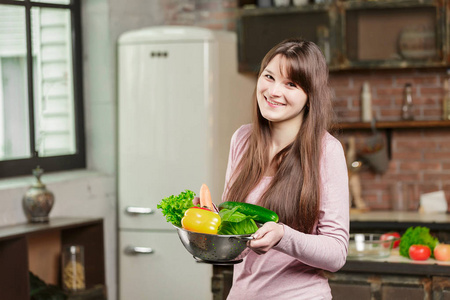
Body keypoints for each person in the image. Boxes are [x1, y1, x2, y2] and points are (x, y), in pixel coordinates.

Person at [221, 38, 349, 300]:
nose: (274, 91)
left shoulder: (326, 150)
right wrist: (207, 217)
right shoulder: (242, 139)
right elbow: (236, 238)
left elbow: (337, 253)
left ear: (310, 95)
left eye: (290, 84)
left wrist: (283, 236)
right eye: (269, 76)